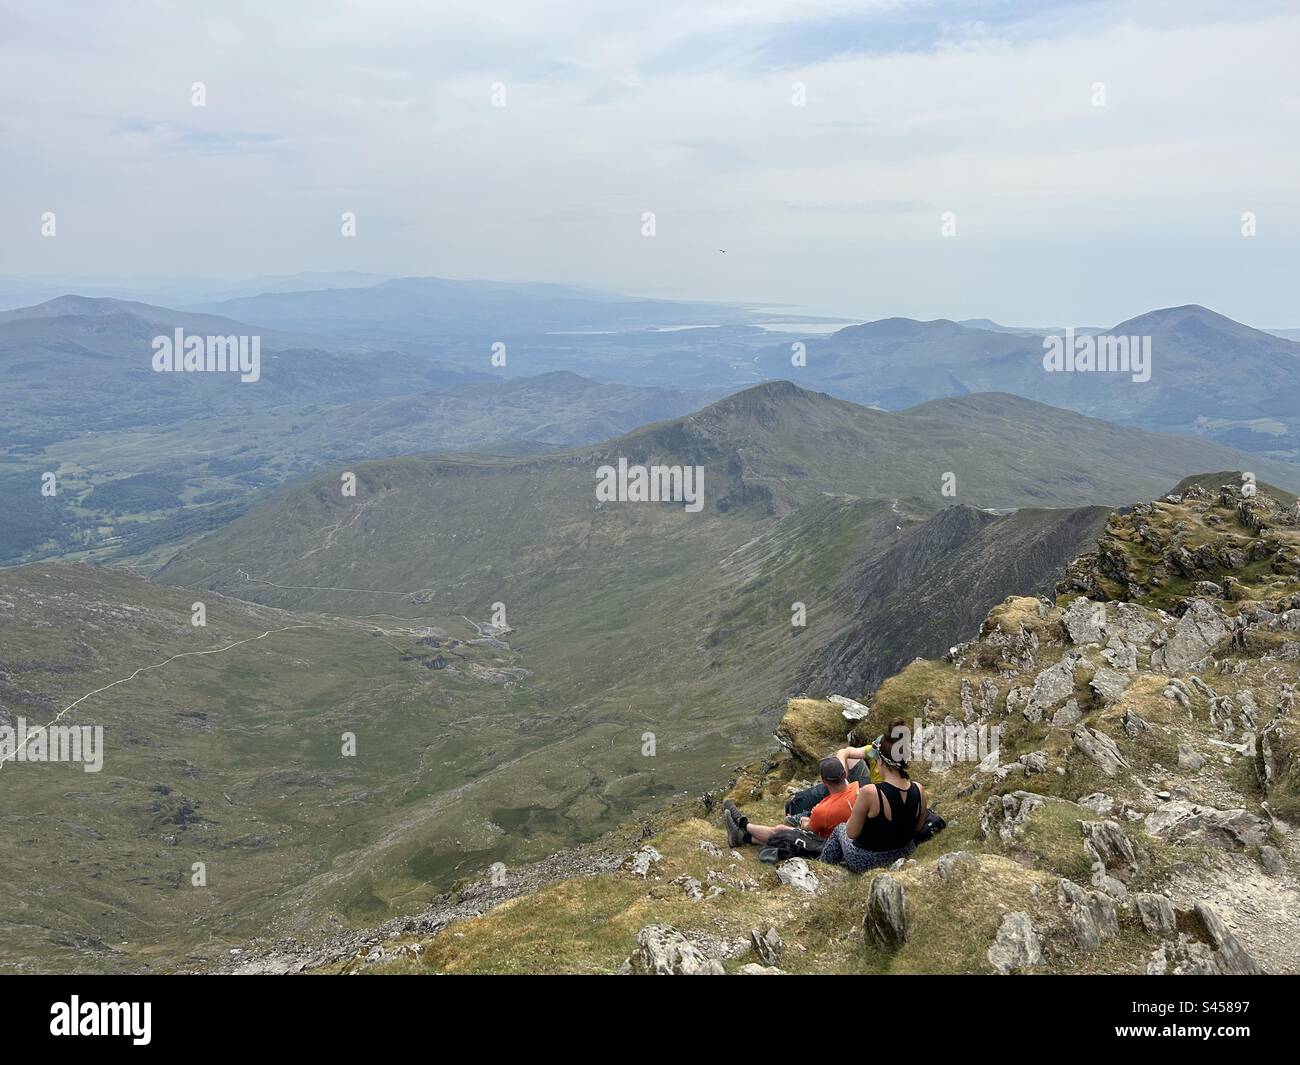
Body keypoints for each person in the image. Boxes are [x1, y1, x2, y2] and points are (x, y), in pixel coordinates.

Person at [820, 717, 927, 872]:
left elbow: (852, 832)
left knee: (839, 829)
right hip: (905, 851)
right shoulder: (919, 789)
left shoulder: (870, 792)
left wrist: (857, 807)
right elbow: (917, 828)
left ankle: (824, 869)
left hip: (867, 860)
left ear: (881, 762)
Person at [723, 756, 858, 848]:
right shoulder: (858, 789)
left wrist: (804, 821)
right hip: (847, 839)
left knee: (782, 831)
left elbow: (808, 827)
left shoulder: (823, 811)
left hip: (826, 845)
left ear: (824, 782)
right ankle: (742, 837)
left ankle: (743, 823)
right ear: (845, 775)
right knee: (783, 832)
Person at [783, 736, 884, 820]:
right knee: (849, 762)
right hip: (867, 784)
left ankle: (805, 811)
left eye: (877, 757)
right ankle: (836, 792)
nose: (874, 757)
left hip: (874, 795)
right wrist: (842, 776)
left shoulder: (892, 778)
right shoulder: (876, 750)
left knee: (832, 793)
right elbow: (844, 752)